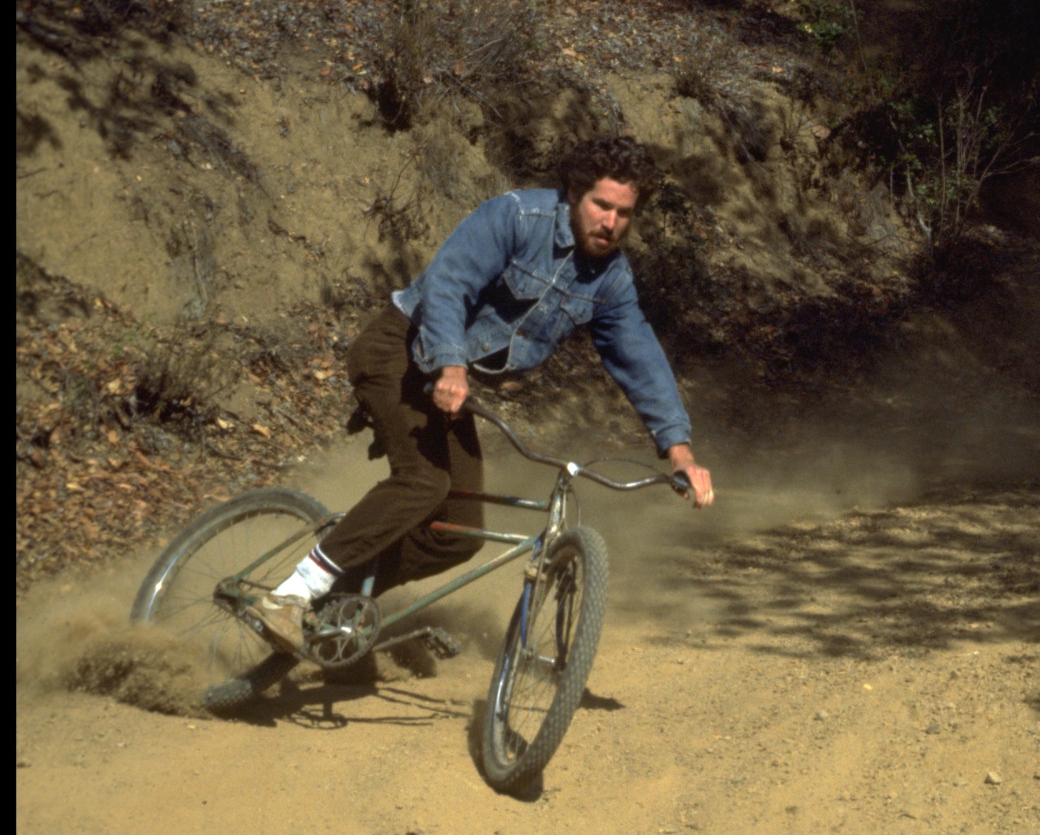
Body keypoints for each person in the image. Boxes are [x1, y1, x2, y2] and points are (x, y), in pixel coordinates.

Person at [250, 136, 714, 652]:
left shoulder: (611, 281)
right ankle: (291, 594)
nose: (610, 223)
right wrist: (451, 363)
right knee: (424, 482)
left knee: (458, 533)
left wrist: (680, 453)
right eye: (601, 205)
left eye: (624, 213)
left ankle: (335, 604)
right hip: (401, 350)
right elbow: (448, 286)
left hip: (448, 381)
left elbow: (640, 358)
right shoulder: (517, 216)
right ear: (574, 194)